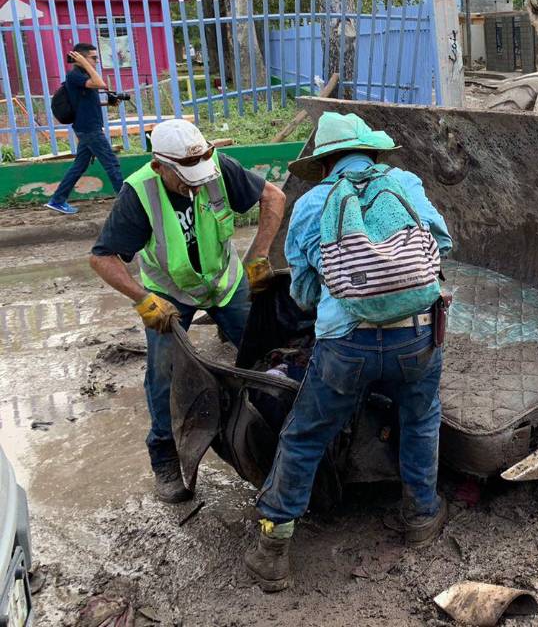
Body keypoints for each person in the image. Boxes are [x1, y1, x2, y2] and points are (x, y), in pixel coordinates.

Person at [244, 112, 453, 593]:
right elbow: (440, 243)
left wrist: (342, 297)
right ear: (372, 151)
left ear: (324, 162)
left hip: (346, 347)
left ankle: (273, 550)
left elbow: (302, 292)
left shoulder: (313, 203)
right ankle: (421, 515)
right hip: (419, 336)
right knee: (420, 417)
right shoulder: (405, 184)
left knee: (306, 434)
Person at [89, 119, 285, 503]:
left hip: (224, 283)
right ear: (160, 166)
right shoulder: (139, 193)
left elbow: (274, 197)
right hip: (171, 292)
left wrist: (258, 255)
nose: (195, 184)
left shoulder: (216, 168)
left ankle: (273, 434)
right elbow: (102, 258)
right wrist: (140, 297)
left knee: (264, 355)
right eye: (185, 178)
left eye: (199, 175)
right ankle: (163, 454)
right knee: (163, 374)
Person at [45, 43, 124, 215]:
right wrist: (83, 62)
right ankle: (127, 203)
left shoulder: (83, 75)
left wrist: (108, 103)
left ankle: (57, 200)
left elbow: (86, 101)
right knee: (112, 164)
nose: (96, 61)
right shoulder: (75, 75)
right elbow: (101, 83)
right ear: (80, 58)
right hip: (89, 129)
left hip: (88, 127)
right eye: (93, 58)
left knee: (79, 166)